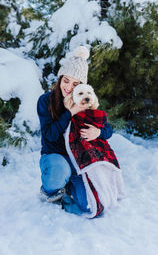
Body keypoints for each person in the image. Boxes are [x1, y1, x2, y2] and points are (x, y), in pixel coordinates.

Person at [37, 46, 114, 216]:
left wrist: (98, 132)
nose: (69, 88)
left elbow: (108, 129)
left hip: (78, 161)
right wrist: (71, 112)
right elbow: (50, 134)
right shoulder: (46, 101)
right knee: (59, 171)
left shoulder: (85, 99)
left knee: (90, 207)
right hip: (54, 156)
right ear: (60, 78)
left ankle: (68, 190)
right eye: (66, 81)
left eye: (75, 84)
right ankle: (50, 191)